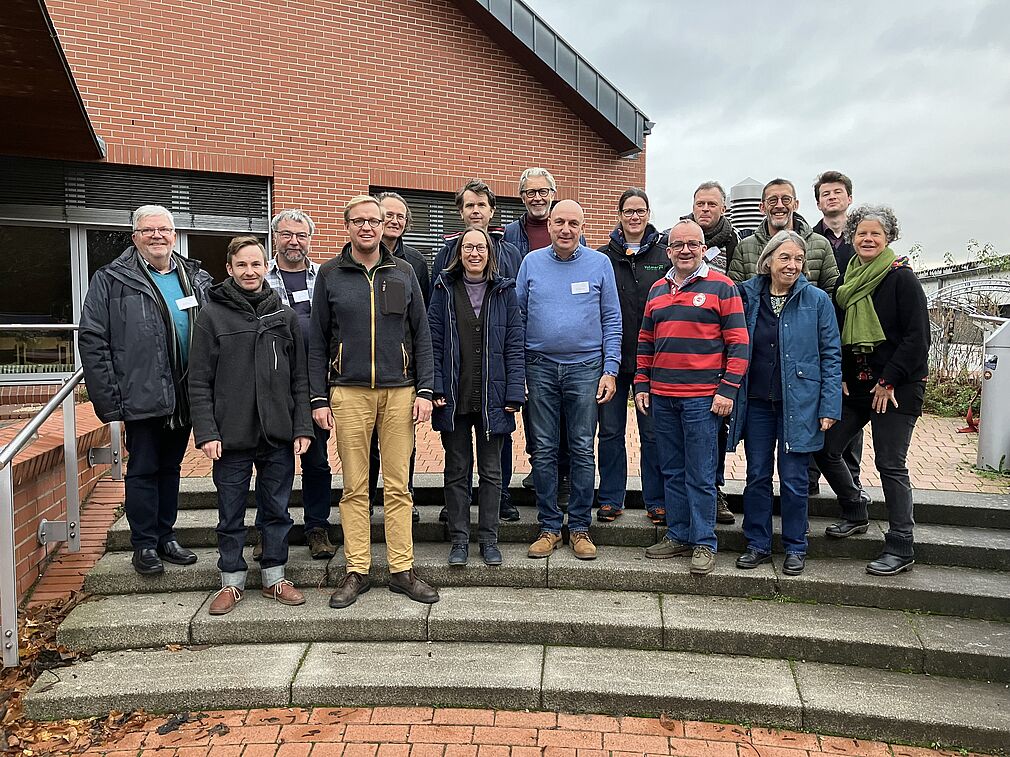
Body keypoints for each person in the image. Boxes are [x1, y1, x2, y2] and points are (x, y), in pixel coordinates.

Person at [309, 195, 439, 608]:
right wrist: (318, 397)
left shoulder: (403, 271)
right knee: (355, 487)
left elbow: (421, 334)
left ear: (385, 227)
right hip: (347, 392)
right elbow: (316, 341)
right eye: (359, 221)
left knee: (399, 486)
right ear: (346, 226)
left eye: (375, 221)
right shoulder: (330, 275)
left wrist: (425, 389)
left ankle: (402, 570)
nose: (367, 227)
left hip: (400, 391)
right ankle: (357, 570)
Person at [79, 204, 212, 575]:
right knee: (143, 468)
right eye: (149, 230)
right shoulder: (111, 279)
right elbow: (93, 339)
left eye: (164, 229)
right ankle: (144, 545)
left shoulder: (195, 277)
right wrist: (109, 401)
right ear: (135, 236)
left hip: (185, 393)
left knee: (171, 467)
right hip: (141, 391)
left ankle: (166, 536)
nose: (157, 235)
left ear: (174, 234)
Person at [189, 237, 311, 614]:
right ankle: (231, 580)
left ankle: (275, 576)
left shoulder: (284, 316)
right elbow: (198, 381)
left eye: (256, 265)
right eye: (242, 265)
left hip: (276, 433)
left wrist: (302, 427)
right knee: (230, 512)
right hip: (231, 435)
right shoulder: (212, 315)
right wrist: (207, 432)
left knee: (276, 510)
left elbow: (300, 380)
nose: (250, 272)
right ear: (229, 269)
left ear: (266, 268)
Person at [814, 205, 929, 576]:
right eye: (861, 233)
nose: (867, 239)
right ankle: (855, 508)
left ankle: (901, 545)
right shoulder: (848, 281)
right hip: (859, 386)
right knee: (827, 448)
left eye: (875, 234)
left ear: (888, 238)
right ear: (851, 237)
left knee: (890, 464)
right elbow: (840, 337)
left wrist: (889, 380)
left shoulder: (901, 279)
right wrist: (843, 374)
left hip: (897, 388)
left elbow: (917, 339)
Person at [636, 220, 749, 575]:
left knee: (700, 473)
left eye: (692, 244)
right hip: (663, 396)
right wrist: (641, 383)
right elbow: (645, 343)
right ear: (668, 250)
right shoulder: (657, 290)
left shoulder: (722, 286)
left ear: (704, 249)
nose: (685, 250)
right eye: (678, 245)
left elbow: (739, 344)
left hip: (703, 399)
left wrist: (727, 389)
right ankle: (679, 534)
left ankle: (704, 541)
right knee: (671, 470)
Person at [727, 231, 842, 576]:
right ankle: (757, 543)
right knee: (757, 474)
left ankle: (795, 546)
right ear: (768, 260)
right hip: (758, 401)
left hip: (800, 402)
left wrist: (829, 405)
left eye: (798, 259)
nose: (792, 265)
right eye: (785, 258)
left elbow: (831, 355)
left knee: (794, 478)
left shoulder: (817, 300)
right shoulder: (746, 294)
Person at [517, 200, 621, 561]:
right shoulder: (531, 263)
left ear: (582, 227)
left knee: (580, 448)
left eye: (573, 223)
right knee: (543, 449)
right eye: (559, 221)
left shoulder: (599, 263)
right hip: (539, 367)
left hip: (586, 368)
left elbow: (612, 319)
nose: (565, 228)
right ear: (549, 225)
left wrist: (610, 369)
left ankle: (579, 527)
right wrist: (519, 372)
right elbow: (518, 319)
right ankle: (548, 527)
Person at [429, 226, 525, 566]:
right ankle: (459, 540)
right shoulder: (443, 288)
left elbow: (515, 344)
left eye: (480, 247)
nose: (474, 253)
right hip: (453, 397)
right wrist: (435, 386)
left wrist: (515, 391)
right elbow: (433, 342)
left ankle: (488, 538)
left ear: (490, 252)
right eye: (468, 247)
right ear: (459, 252)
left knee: (491, 471)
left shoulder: (504, 291)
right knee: (456, 470)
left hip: (493, 397)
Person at [262, 209, 335, 560]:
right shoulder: (259, 276)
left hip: (315, 385)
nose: (294, 241)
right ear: (275, 236)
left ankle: (317, 527)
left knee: (318, 461)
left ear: (310, 239)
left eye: (301, 235)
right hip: (272, 386)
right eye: (287, 234)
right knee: (273, 462)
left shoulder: (324, 276)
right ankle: (270, 529)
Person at [596, 188, 668, 524]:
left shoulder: (666, 256)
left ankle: (656, 499)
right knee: (610, 431)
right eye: (628, 211)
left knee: (652, 432)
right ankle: (611, 497)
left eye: (640, 210)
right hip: (611, 360)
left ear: (649, 213)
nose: (634, 217)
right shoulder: (601, 257)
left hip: (652, 361)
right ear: (620, 215)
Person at [367, 191, 430, 522]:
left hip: (402, 372)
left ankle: (405, 497)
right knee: (366, 446)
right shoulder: (350, 260)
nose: (394, 221)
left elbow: (423, 323)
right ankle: (364, 500)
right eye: (387, 214)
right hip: (362, 374)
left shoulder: (415, 264)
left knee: (403, 444)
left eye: (400, 216)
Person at [681, 181, 741, 525]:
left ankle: (714, 492)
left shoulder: (736, 244)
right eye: (700, 203)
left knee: (715, 432)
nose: (705, 209)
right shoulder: (676, 239)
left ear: (723, 208)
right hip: (681, 358)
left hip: (718, 354)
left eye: (712, 204)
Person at [809, 171, 867, 501]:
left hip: (852, 336)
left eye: (838, 192)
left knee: (848, 411)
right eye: (825, 193)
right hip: (817, 335)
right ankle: (811, 479)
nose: (832, 197)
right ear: (817, 202)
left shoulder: (863, 239)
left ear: (849, 198)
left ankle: (852, 481)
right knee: (817, 406)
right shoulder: (808, 239)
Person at [727, 178, 839, 294]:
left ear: (795, 205)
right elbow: (735, 295)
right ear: (762, 207)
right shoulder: (745, 248)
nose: (779, 205)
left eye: (786, 199)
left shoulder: (820, 244)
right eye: (772, 200)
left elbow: (832, 291)